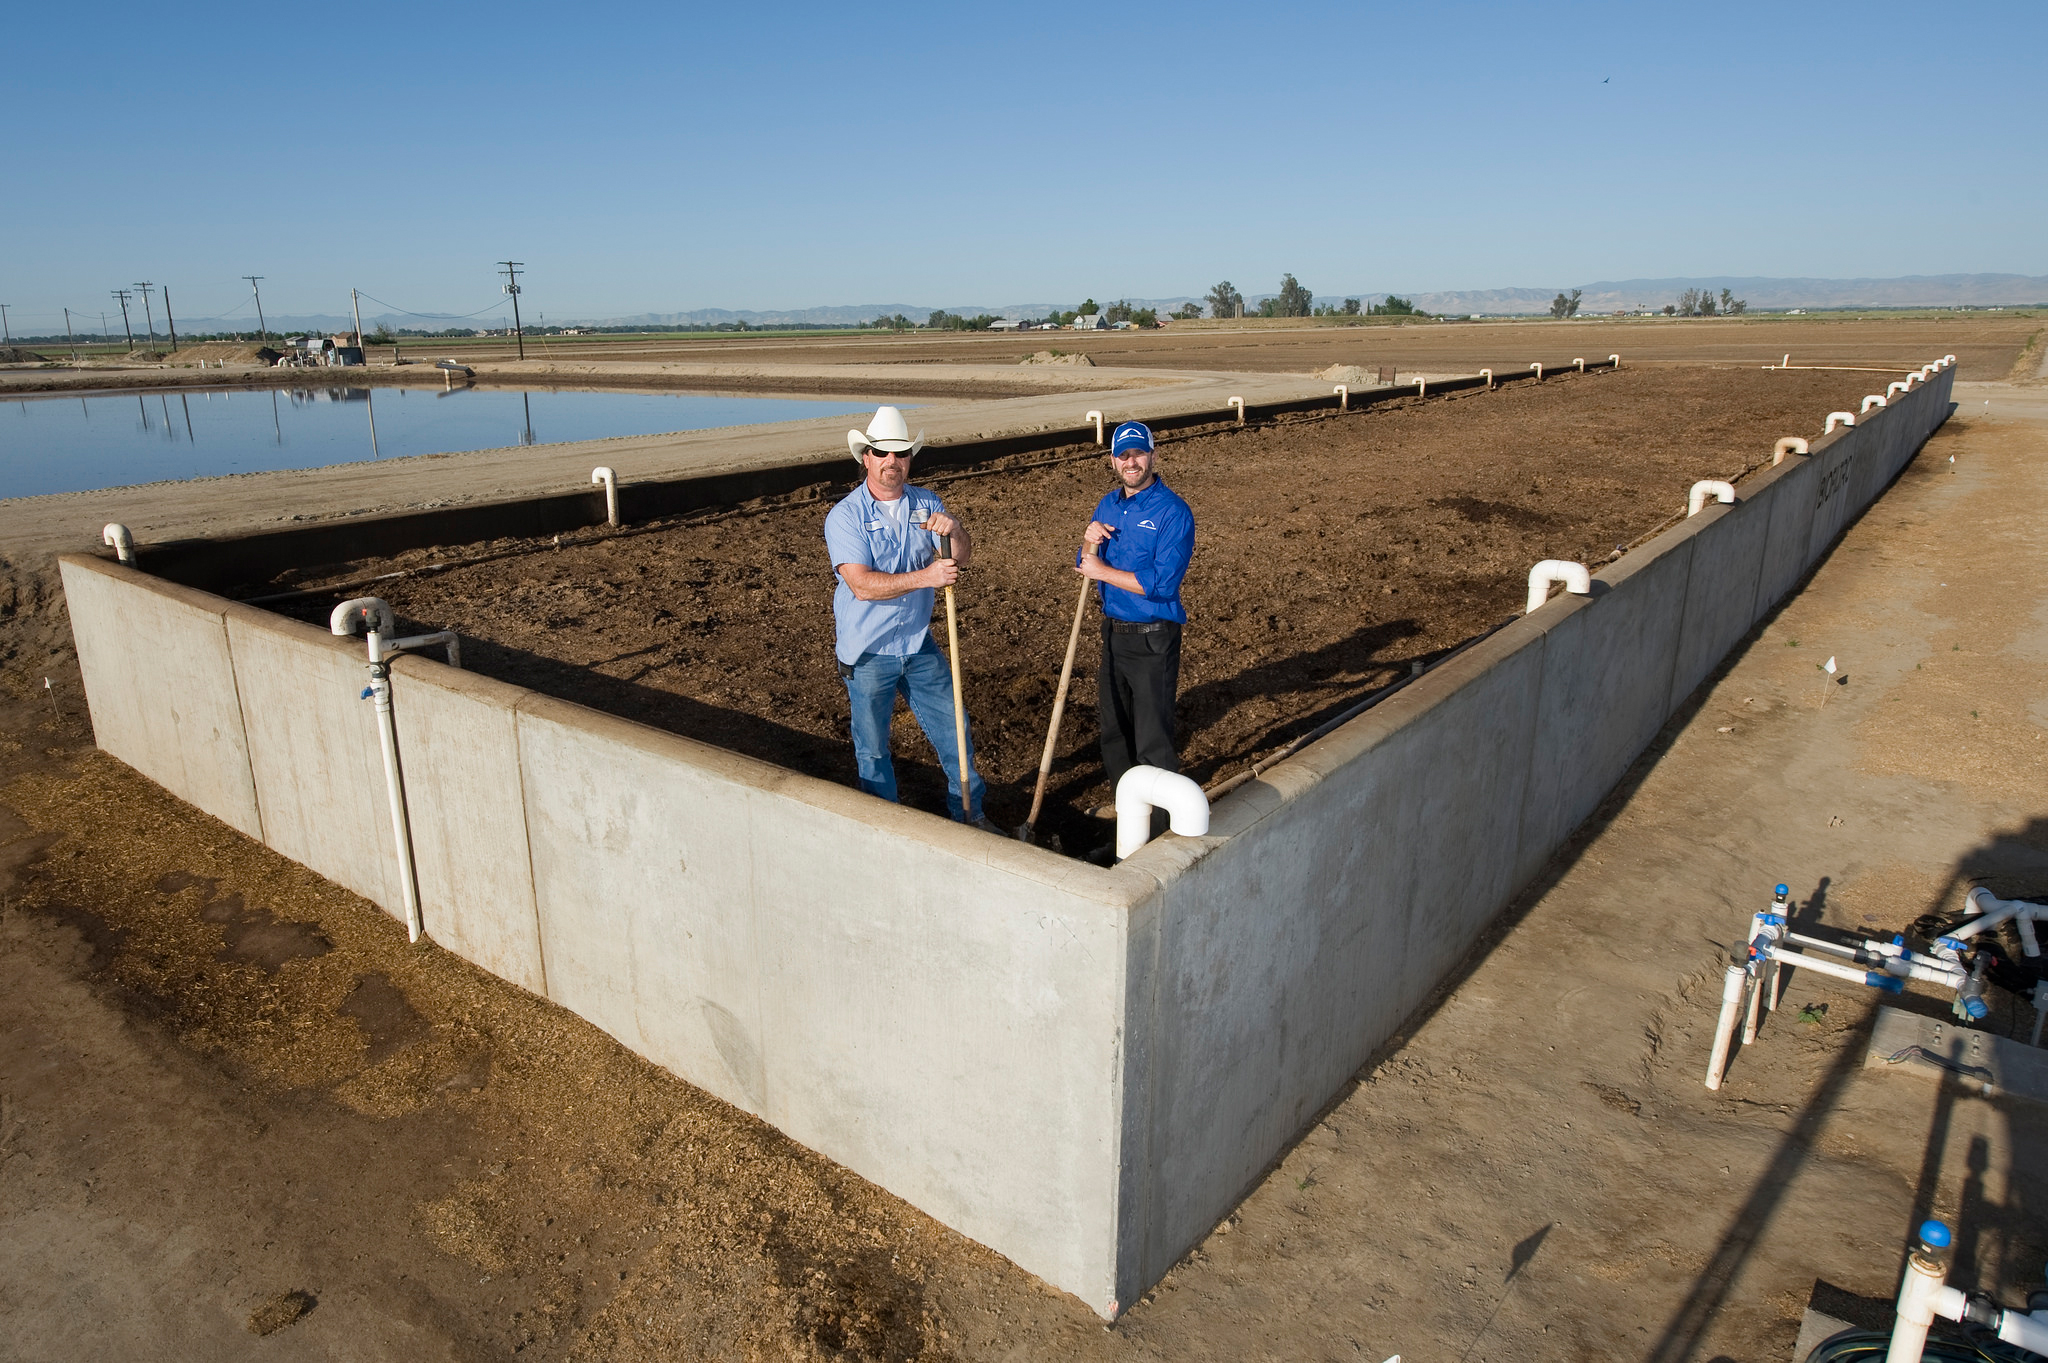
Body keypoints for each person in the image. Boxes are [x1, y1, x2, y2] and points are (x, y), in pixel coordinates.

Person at [824, 406, 993, 828]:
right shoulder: (845, 516)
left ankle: (970, 815)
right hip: (867, 653)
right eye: (882, 453)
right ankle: (886, 829)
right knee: (874, 748)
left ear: (909, 459)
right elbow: (862, 585)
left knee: (956, 731)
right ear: (866, 457)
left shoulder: (928, 503)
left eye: (900, 454)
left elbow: (962, 557)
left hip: (917, 642)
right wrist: (928, 576)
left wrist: (954, 531)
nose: (891, 462)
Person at [1076, 420, 1196, 808]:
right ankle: (1127, 808)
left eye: (1138, 454)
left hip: (1152, 636)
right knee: (1114, 732)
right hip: (1113, 633)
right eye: (1123, 455)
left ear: (1152, 456)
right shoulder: (1108, 505)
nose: (1131, 462)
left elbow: (1162, 582)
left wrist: (1101, 571)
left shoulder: (1173, 512)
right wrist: (1088, 539)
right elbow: (1085, 561)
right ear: (1113, 461)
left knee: (1152, 738)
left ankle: (1160, 824)